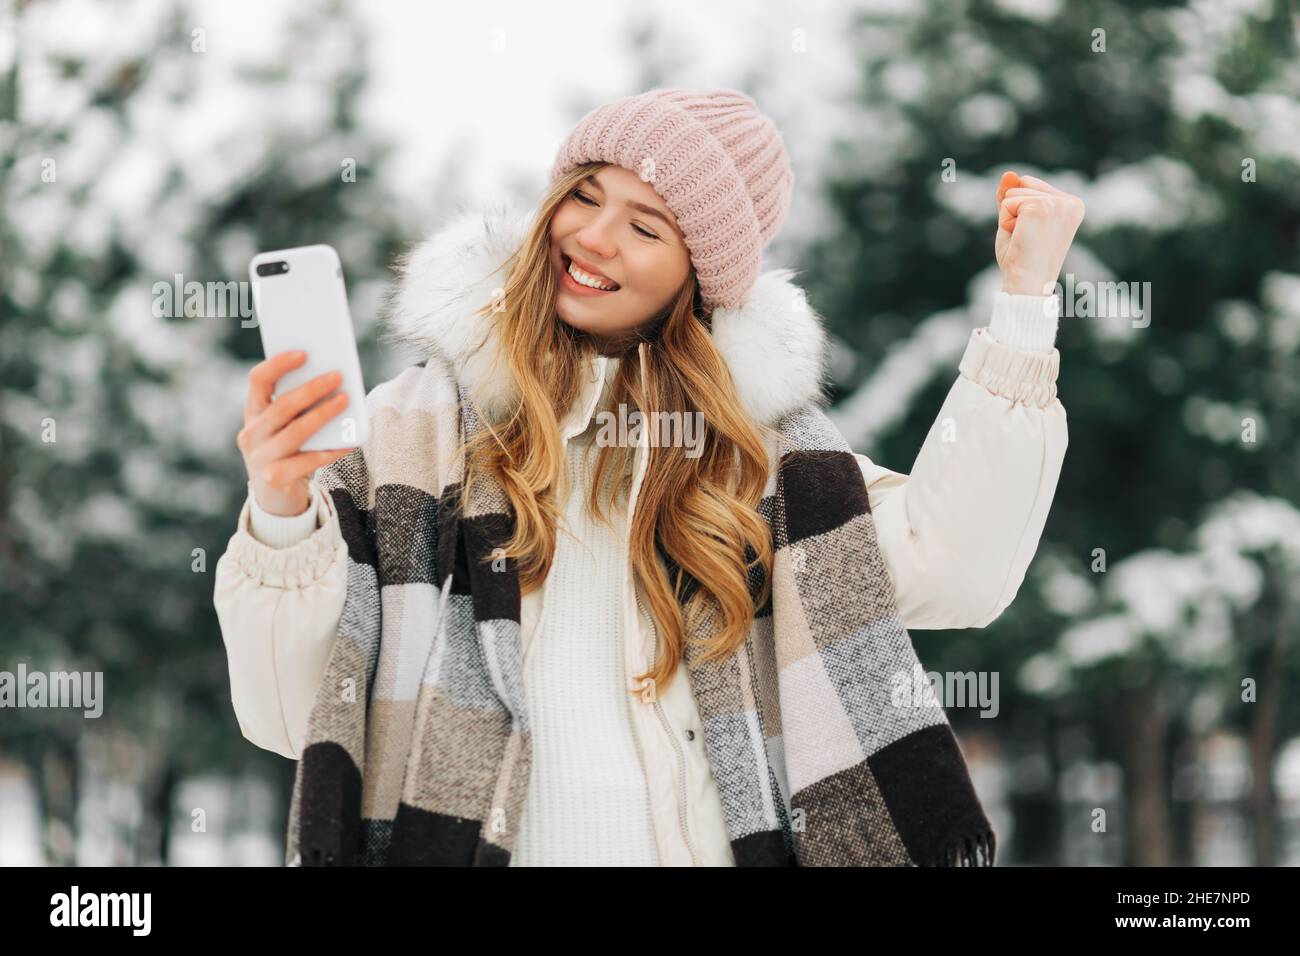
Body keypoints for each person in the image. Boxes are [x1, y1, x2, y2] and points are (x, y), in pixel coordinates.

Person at [213, 87, 1078, 867]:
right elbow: (292, 718)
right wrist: (283, 516)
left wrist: (1024, 308)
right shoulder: (414, 435)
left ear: (697, 279)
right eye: (585, 195)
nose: (593, 237)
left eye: (646, 225)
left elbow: (956, 566)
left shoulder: (759, 464)